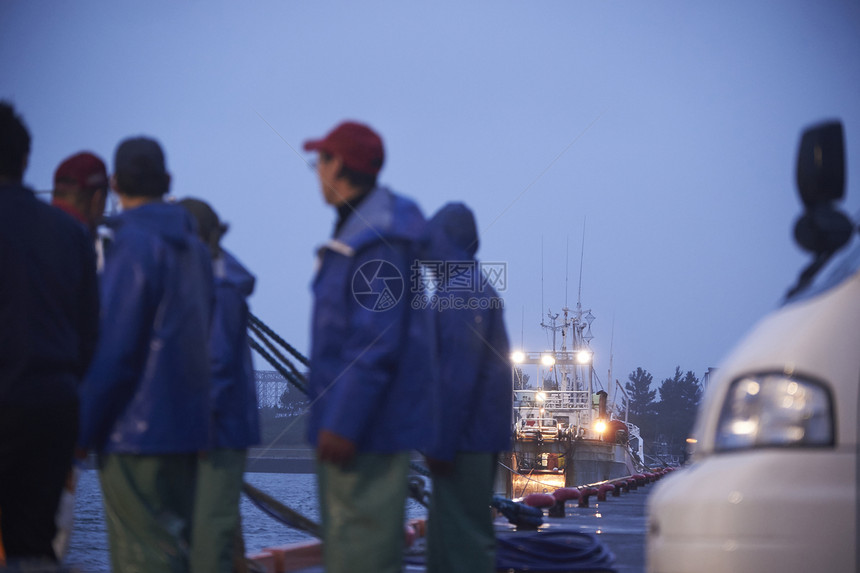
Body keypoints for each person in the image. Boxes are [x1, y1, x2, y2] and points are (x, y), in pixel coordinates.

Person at [77, 137, 214, 573]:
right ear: (167, 181)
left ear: (115, 184)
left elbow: (116, 351)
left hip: (134, 435)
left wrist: (81, 430)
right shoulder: (196, 251)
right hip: (187, 431)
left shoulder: (131, 245)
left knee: (143, 555)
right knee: (177, 550)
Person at [303, 120, 434, 573]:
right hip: (363, 424)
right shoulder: (365, 231)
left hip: (364, 433)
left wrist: (342, 422)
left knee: (360, 552)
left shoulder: (375, 239)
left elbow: (376, 338)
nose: (315, 170)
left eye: (319, 160)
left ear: (339, 165)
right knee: (356, 549)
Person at [0, 101, 100, 565]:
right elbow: (88, 339)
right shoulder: (69, 234)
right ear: (24, 161)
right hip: (51, 411)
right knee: (36, 545)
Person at [423, 203, 512, 573]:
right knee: (453, 540)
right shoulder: (473, 288)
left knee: (463, 543)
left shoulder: (460, 293)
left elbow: (457, 377)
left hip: (463, 443)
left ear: (448, 244)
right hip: (472, 438)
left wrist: (439, 444)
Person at [178, 197, 259, 573]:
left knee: (210, 533)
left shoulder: (219, 285)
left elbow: (218, 363)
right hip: (210, 426)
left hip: (214, 431)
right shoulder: (212, 277)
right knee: (216, 528)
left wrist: (200, 427)